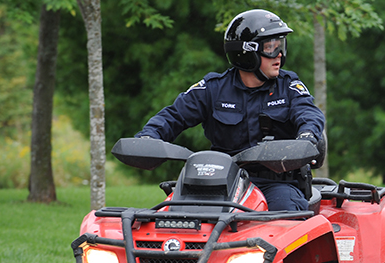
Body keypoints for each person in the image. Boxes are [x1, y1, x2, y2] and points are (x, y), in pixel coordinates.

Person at [135, 9, 325, 211]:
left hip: (275, 184)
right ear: (246, 53)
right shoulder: (212, 88)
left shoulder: (288, 86)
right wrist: (148, 138)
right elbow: (173, 116)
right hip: (218, 183)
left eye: (280, 46)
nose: (279, 55)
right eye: (270, 47)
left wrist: (307, 137)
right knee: (173, 218)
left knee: (286, 220)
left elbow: (309, 114)